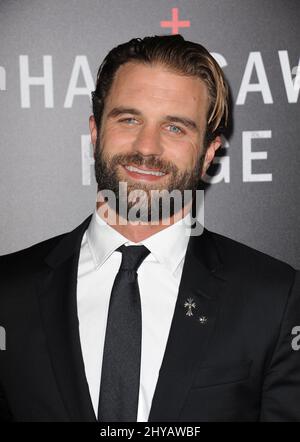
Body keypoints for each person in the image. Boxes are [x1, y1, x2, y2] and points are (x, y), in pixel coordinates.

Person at [0, 35, 299, 422]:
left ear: (208, 153)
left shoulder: (273, 298)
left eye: (175, 128)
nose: (147, 147)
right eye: (129, 119)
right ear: (95, 133)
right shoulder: (8, 290)